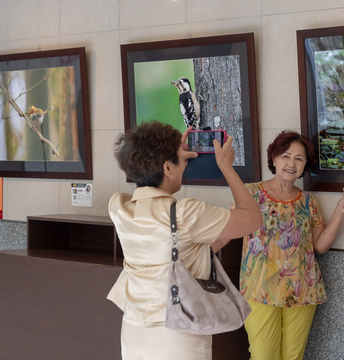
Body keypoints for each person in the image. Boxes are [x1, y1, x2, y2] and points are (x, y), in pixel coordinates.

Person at [106, 121, 261, 360]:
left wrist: (170, 153)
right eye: (181, 159)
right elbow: (252, 220)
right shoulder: (186, 214)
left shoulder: (119, 206)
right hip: (177, 336)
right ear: (168, 168)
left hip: (133, 334)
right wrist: (226, 167)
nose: (186, 165)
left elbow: (183, 249)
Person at [239, 130, 344, 360]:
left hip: (301, 289)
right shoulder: (250, 194)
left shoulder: (308, 202)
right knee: (263, 356)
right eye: (286, 156)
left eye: (299, 158)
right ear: (273, 159)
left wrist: (339, 213)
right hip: (259, 289)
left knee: (293, 357)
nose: (291, 163)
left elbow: (320, 246)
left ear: (305, 165)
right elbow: (229, 229)